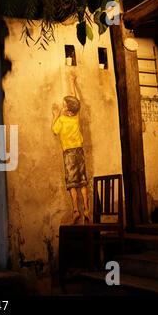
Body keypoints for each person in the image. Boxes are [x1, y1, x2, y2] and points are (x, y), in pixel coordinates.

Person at [52, 75, 90, 224]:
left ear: (68, 111)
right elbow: (75, 99)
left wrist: (55, 116)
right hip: (79, 151)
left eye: (64, 106)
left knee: (72, 183)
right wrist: (72, 82)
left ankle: (76, 210)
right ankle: (86, 209)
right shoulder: (76, 116)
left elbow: (55, 131)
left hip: (69, 153)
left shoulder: (61, 119)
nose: (62, 107)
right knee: (83, 181)